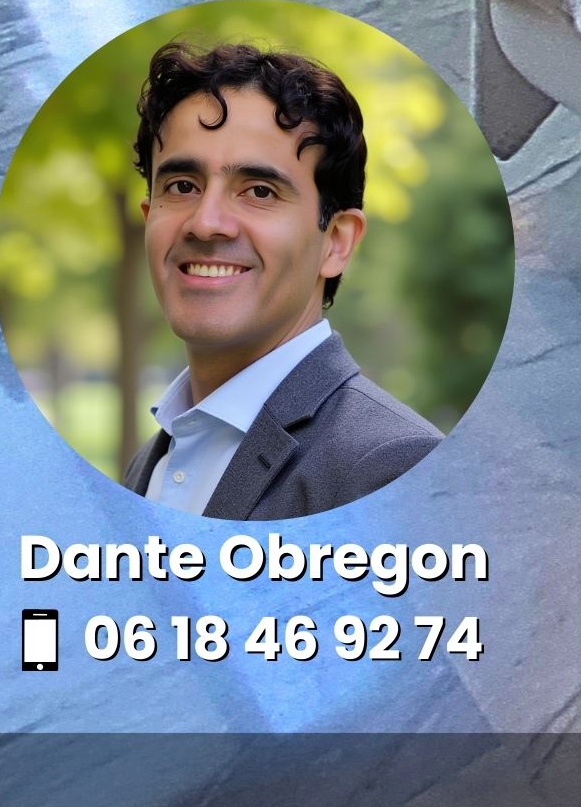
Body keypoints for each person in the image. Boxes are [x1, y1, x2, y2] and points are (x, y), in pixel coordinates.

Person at [121, 41, 441, 517]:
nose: (206, 223)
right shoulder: (151, 464)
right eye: (182, 186)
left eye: (259, 191)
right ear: (149, 219)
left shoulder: (389, 467)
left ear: (335, 242)